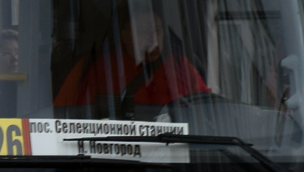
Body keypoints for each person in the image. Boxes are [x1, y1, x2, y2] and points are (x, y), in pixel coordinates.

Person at [53, 9, 208, 111]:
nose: (153, 40)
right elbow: (81, 117)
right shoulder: (103, 69)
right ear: (126, 36)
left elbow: (207, 106)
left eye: (157, 31)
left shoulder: (181, 66)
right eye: (144, 32)